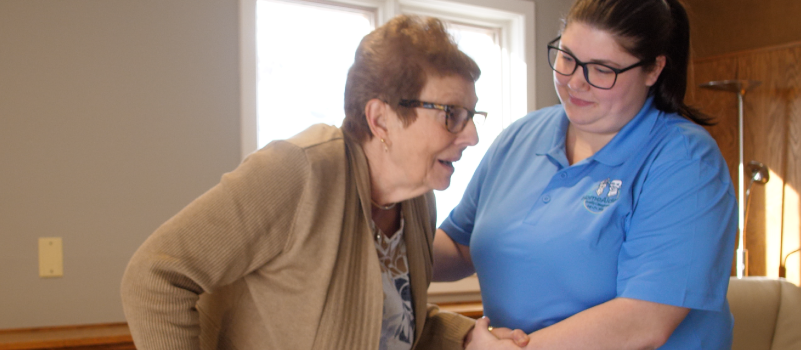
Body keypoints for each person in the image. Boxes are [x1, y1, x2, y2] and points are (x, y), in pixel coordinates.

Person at [120, 15, 529, 350]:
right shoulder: (300, 172)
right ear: (381, 119)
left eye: (472, 116)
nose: (471, 136)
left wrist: (467, 338)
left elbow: (388, 323)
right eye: (451, 114)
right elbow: (155, 277)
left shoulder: (417, 200)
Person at [434, 0, 739, 349]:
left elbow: (645, 320)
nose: (576, 82)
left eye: (602, 69)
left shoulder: (685, 161)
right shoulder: (521, 136)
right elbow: (461, 246)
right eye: (567, 58)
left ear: (653, 70)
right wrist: (379, 248)